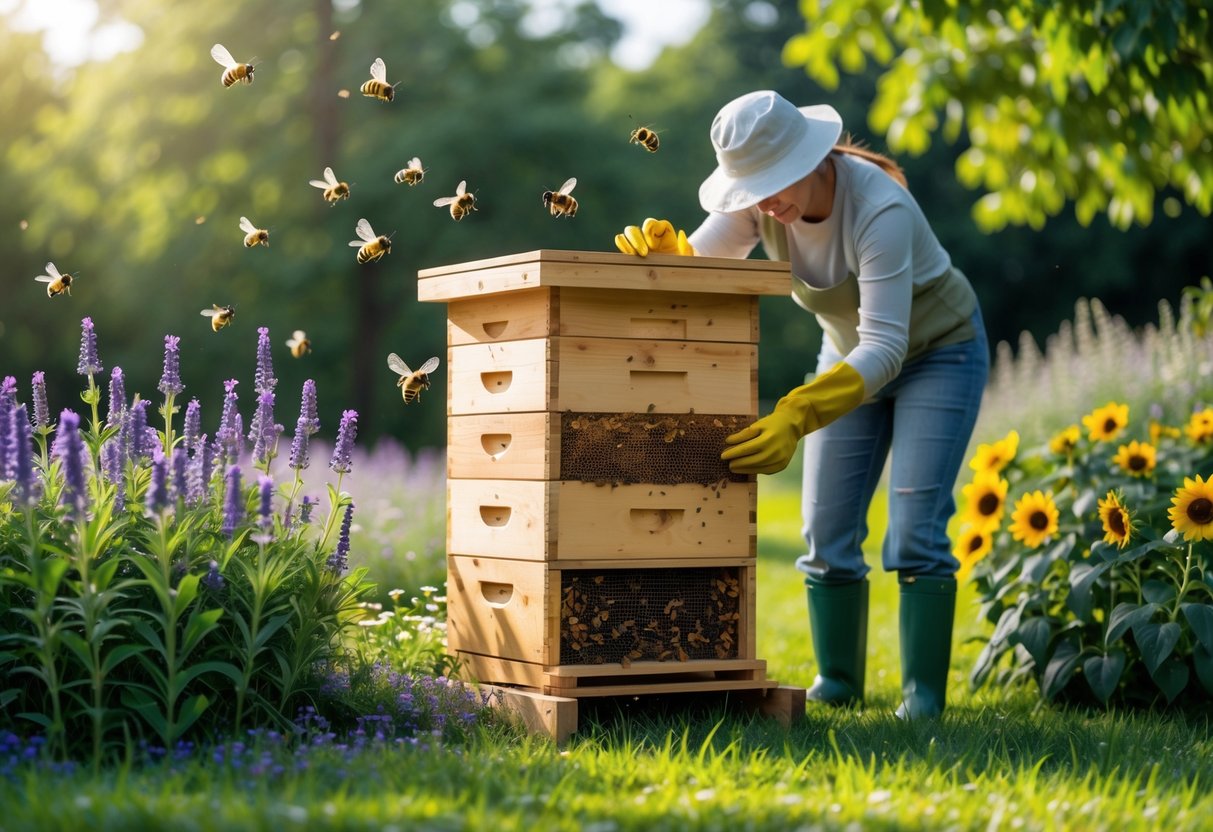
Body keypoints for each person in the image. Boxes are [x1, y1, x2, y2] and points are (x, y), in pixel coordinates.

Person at [614, 90, 989, 719]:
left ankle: (923, 698)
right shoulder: (762, 207)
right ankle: (839, 682)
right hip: (847, 359)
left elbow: (888, 345)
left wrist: (796, 412)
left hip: (937, 354)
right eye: (753, 188)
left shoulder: (879, 208)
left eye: (775, 183)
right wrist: (667, 260)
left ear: (815, 160)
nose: (766, 203)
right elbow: (706, 263)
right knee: (826, 530)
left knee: (916, 531)